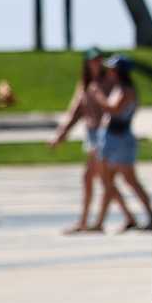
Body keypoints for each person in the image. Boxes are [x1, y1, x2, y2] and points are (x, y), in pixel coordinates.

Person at [51, 48, 126, 234]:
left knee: (95, 178)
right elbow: (75, 111)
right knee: (102, 179)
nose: (96, 63)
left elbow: (116, 107)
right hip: (91, 135)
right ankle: (124, 216)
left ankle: (89, 222)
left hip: (104, 135)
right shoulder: (84, 84)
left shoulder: (107, 82)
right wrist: (61, 134)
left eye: (99, 59)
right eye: (93, 60)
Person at [98, 55, 152, 232]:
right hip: (112, 138)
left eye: (111, 69)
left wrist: (97, 96)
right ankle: (126, 217)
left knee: (130, 180)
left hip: (120, 139)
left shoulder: (126, 90)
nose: (108, 72)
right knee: (108, 181)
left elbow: (113, 109)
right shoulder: (120, 88)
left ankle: (151, 216)